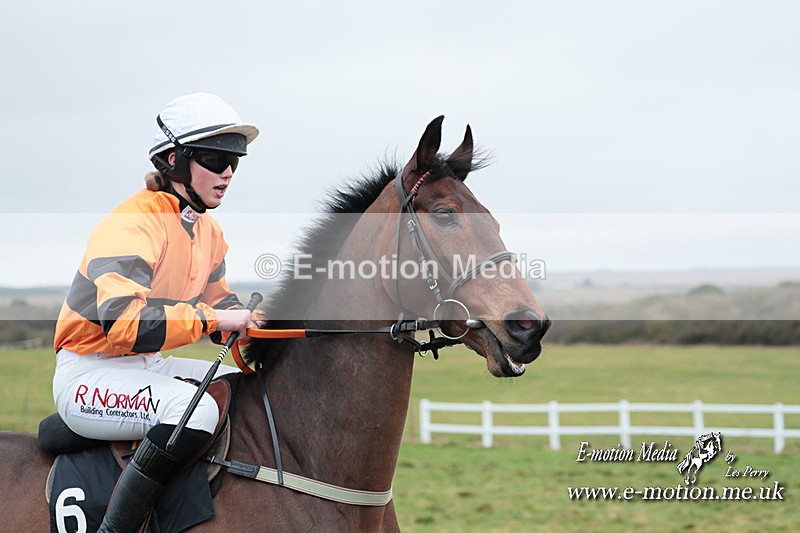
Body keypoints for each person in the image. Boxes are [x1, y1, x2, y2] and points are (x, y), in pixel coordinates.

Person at [51, 92, 260, 532]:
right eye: (214, 158)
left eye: (234, 161)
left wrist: (258, 325)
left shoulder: (208, 230)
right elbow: (126, 326)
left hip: (148, 367)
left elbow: (221, 303)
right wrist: (213, 321)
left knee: (242, 388)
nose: (227, 172)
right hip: (88, 374)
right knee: (196, 411)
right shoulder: (132, 224)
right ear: (172, 160)